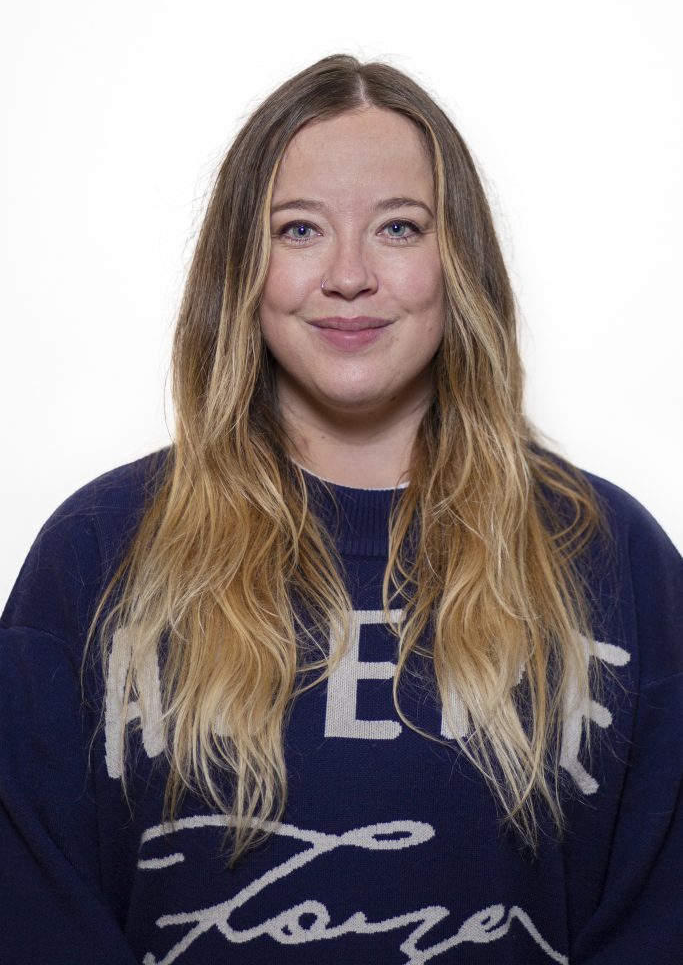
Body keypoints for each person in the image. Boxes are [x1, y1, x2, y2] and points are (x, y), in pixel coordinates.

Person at [1, 53, 681, 965]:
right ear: (241, 267)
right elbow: (30, 909)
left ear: (458, 263)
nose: (349, 275)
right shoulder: (95, 553)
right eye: (298, 230)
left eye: (399, 228)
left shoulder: (611, 556)